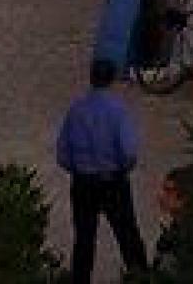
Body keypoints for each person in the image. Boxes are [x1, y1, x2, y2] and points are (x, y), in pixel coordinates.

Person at [56, 57, 148, 282]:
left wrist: (79, 169)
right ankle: (142, 278)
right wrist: (122, 170)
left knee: (84, 239)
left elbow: (62, 153)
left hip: (83, 182)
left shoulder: (76, 109)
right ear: (112, 79)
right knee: (127, 236)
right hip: (113, 181)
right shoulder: (117, 110)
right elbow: (128, 152)